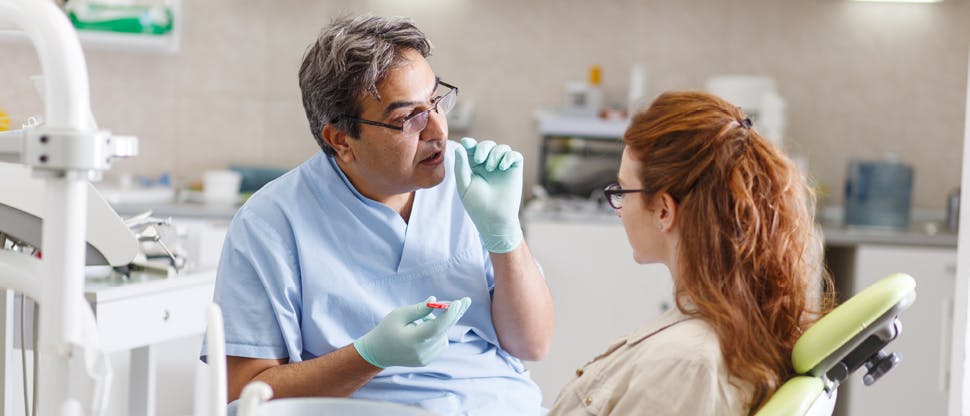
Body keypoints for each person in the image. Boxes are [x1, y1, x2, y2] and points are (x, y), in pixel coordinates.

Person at [203, 15, 554, 415]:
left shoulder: (470, 180)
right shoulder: (271, 223)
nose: (438, 130)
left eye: (437, 101)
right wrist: (369, 356)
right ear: (341, 140)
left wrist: (505, 235)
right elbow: (245, 392)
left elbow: (533, 344)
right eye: (407, 118)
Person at [548, 91, 835, 415]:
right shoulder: (737, 324)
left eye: (622, 191)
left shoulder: (687, 364)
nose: (619, 209)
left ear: (663, 211)